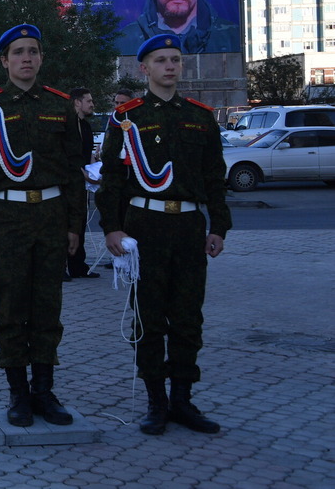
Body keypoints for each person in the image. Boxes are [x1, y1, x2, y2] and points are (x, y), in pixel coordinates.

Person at [98, 34, 230, 437]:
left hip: (189, 227)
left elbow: (214, 177)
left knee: (188, 318)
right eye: (161, 60)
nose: (170, 66)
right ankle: (156, 401)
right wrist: (112, 227)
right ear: (145, 68)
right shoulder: (127, 118)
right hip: (146, 227)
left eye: (175, 59)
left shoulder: (201, 116)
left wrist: (219, 226)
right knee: (149, 318)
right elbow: (112, 180)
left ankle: (183, 399)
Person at [0, 24, 86, 428]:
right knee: (12, 308)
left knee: (48, 307)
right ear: (5, 61)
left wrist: (75, 226)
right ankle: (18, 393)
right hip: (8, 220)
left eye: (33, 51)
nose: (27, 58)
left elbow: (73, 171)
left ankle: (44, 391)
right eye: (18, 52)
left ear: (41, 58)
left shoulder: (61, 105)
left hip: (52, 218)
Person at [66, 88, 101, 280]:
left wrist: (94, 170)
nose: (92, 104)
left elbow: (87, 154)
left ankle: (78, 265)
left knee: (80, 223)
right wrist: (81, 172)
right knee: (65, 225)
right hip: (67, 183)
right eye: (89, 101)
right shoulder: (67, 125)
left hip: (82, 185)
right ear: (77, 103)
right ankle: (61, 266)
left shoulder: (86, 126)